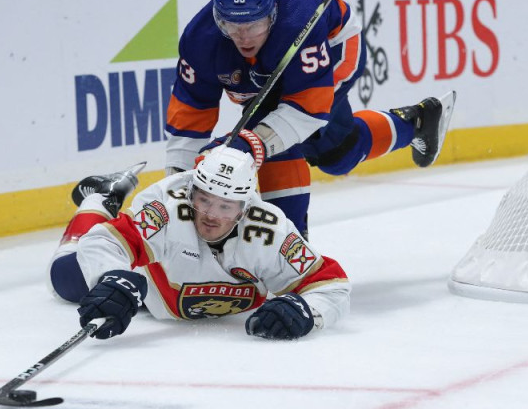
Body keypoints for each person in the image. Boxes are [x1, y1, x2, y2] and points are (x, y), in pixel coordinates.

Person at [165, 0, 455, 239]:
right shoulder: (200, 39)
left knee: (269, 137)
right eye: (231, 24)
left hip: (335, 45)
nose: (242, 36)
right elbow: (189, 116)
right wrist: (174, 188)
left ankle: (288, 242)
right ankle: (416, 123)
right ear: (218, 18)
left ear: (272, 14)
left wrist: (248, 146)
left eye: (253, 24)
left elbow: (307, 110)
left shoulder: (300, 20)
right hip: (273, 69)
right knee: (336, 154)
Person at [48, 145, 350, 340]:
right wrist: (112, 277)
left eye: (225, 207)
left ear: (244, 209)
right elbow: (104, 241)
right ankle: (100, 198)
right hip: (147, 287)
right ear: (191, 194)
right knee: (62, 277)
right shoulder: (168, 212)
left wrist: (309, 311)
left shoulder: (270, 232)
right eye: (203, 200)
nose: (210, 216)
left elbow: (331, 284)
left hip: (175, 297)